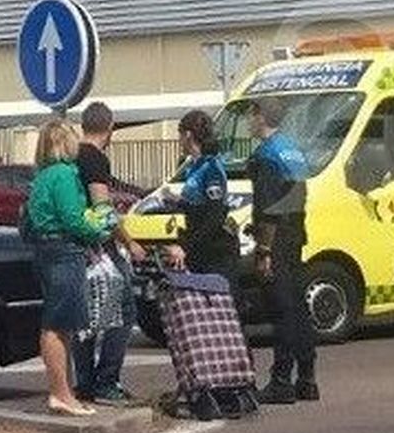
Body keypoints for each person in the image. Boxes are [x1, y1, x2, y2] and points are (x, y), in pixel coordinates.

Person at [25, 119, 111, 418]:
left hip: (45, 250)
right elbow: (73, 218)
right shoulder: (62, 175)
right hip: (63, 250)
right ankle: (61, 394)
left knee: (58, 322)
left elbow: (28, 219)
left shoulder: (43, 176)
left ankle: (65, 392)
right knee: (59, 325)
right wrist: (99, 229)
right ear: (64, 141)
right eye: (73, 136)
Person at [73, 102, 147, 406]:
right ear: (110, 128)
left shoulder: (72, 155)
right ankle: (107, 381)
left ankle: (86, 382)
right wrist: (129, 242)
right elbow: (102, 210)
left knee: (86, 312)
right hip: (98, 245)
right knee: (124, 308)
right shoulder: (95, 159)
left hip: (76, 244)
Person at [247, 97, 318, 404]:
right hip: (296, 233)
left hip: (277, 239)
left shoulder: (266, 155)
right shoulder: (293, 150)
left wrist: (263, 251)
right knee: (299, 308)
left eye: (251, 116)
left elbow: (269, 209)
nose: (249, 122)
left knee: (282, 310)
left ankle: (281, 380)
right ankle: (307, 378)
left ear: (261, 117)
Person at [163, 110, 237, 286]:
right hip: (199, 247)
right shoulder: (195, 165)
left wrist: (185, 247)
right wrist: (177, 201)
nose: (179, 141)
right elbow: (197, 204)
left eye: (179, 135)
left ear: (188, 135)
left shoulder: (211, 167)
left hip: (214, 251)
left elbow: (215, 213)